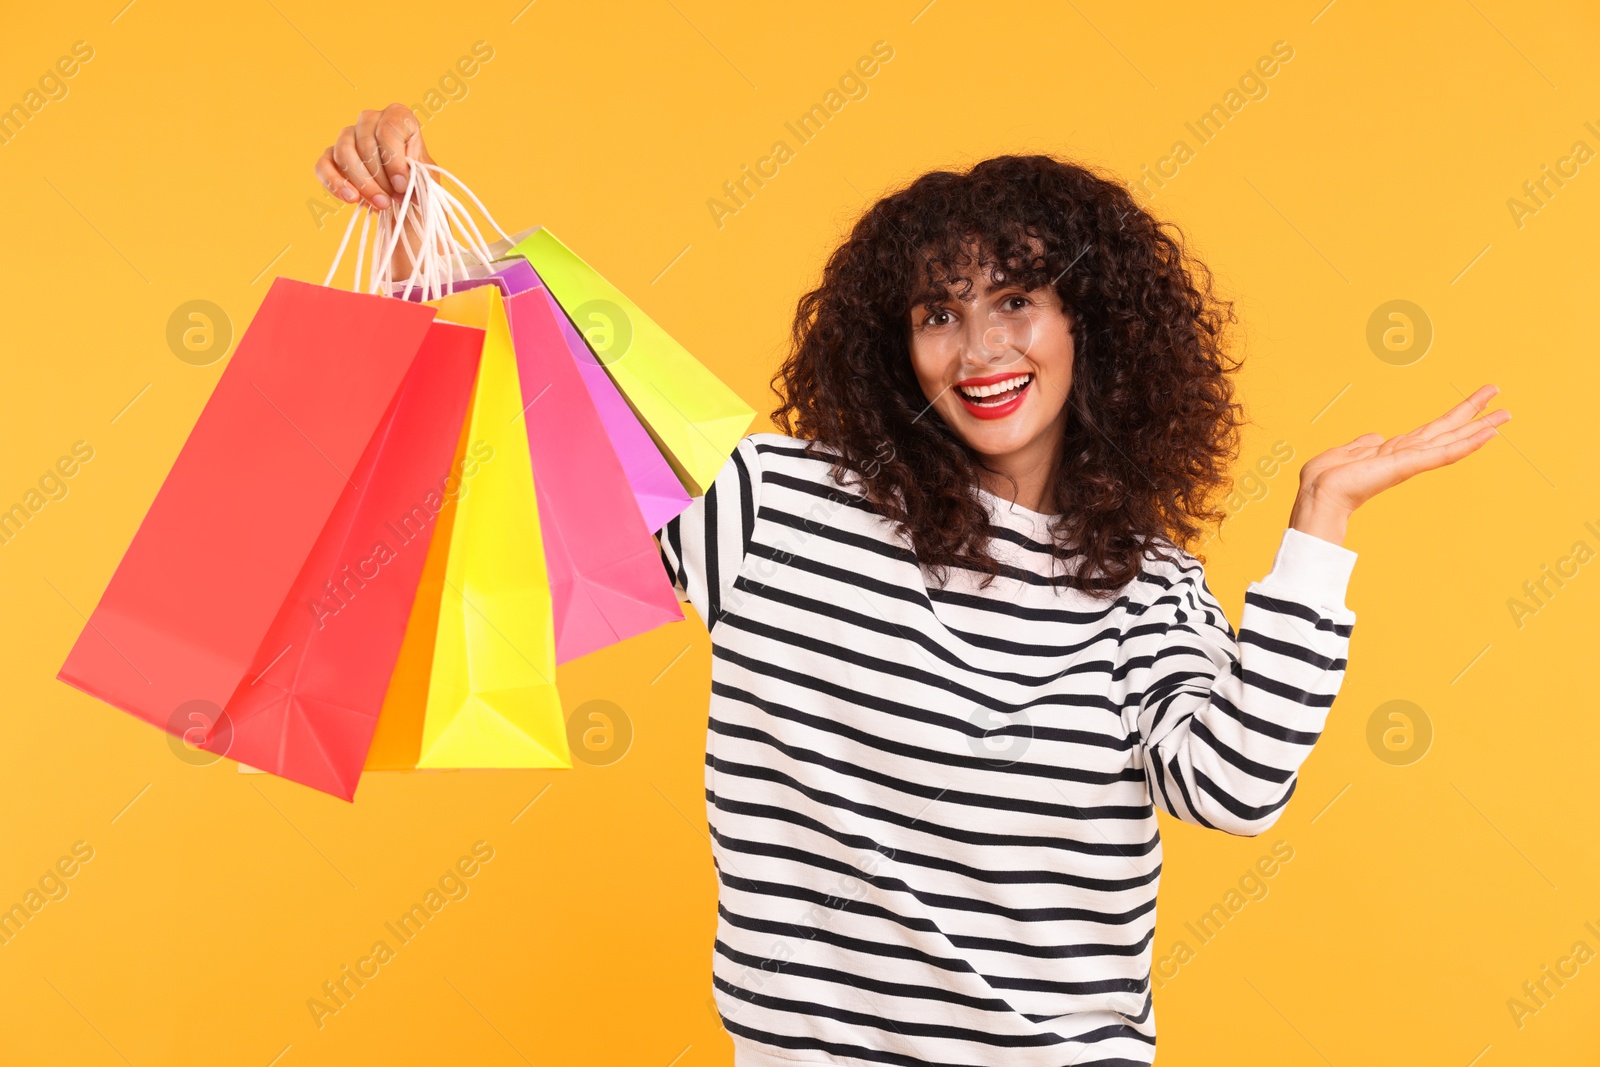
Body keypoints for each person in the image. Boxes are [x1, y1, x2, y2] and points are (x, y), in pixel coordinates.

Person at [318, 105, 1509, 1066]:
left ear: (1086, 323)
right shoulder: (773, 508)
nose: (981, 348)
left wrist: (1319, 528)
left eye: (1015, 300)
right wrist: (412, 216)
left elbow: (1234, 788)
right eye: (939, 313)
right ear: (893, 346)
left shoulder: (1150, 590)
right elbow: (536, 416)